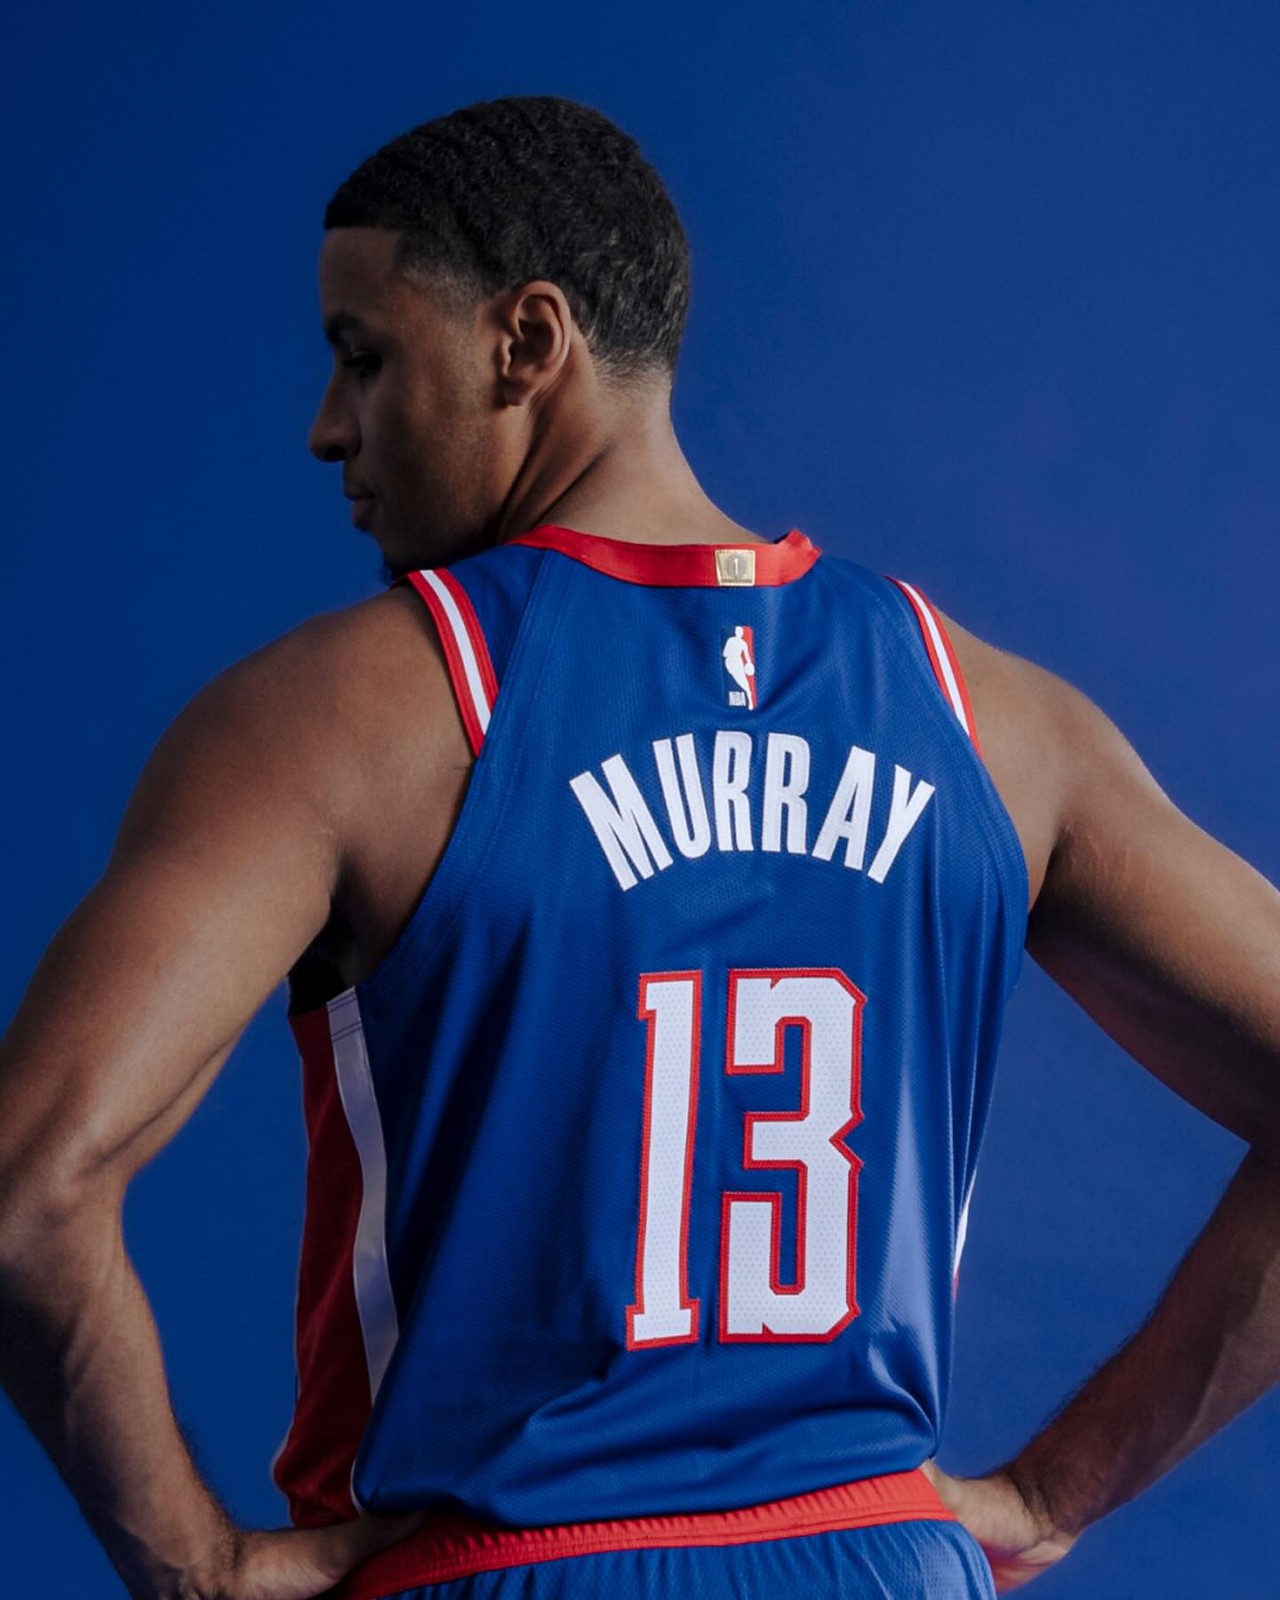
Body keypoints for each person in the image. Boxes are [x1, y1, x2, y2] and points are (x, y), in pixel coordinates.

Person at [1, 93, 1279, 1600]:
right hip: (878, 1563)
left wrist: (196, 1573)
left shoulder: (341, 722)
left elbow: (29, 1185)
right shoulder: (989, 716)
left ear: (526, 343)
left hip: (509, 1569)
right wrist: (1055, 1497)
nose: (327, 425)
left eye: (365, 356)